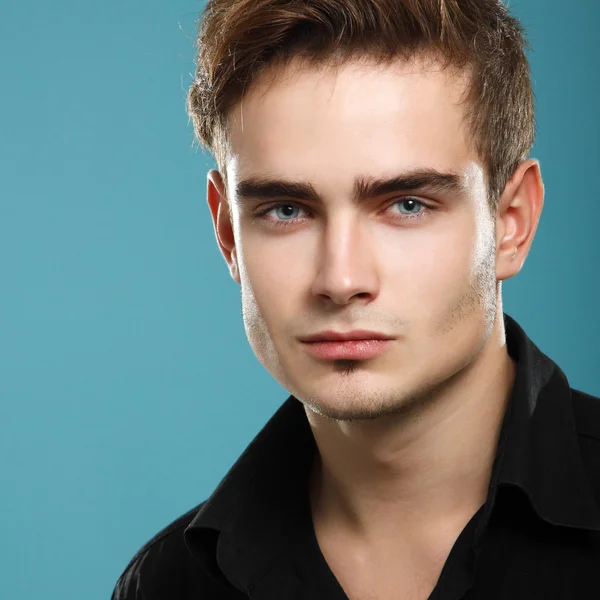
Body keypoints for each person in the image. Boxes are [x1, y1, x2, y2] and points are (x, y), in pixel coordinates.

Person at [112, 0, 600, 598]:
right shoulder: (170, 586)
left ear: (512, 222)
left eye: (407, 204)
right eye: (286, 211)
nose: (341, 280)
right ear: (228, 234)